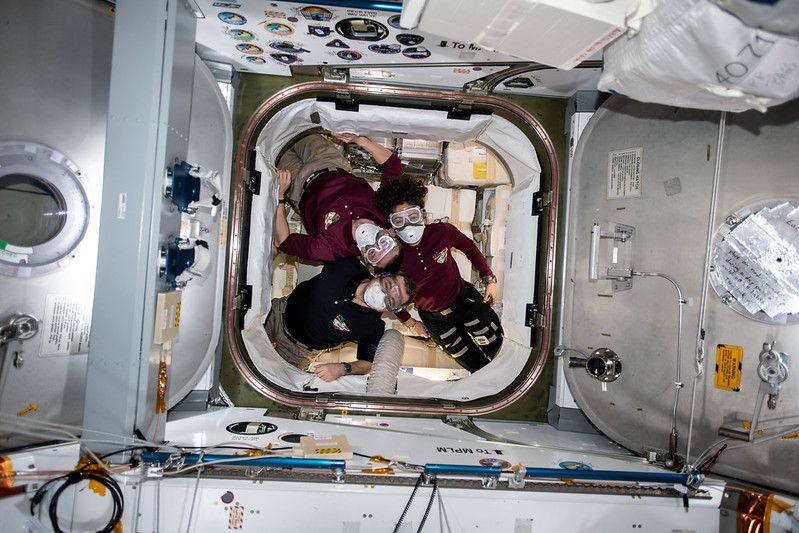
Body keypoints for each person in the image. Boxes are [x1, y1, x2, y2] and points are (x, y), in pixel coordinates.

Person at [373, 175, 503, 372]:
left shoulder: (442, 232)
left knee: (497, 346)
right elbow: (387, 297)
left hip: (466, 301)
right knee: (474, 364)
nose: (408, 226)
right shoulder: (389, 258)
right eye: (399, 220)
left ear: (423, 215)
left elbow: (469, 248)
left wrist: (489, 278)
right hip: (435, 320)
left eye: (413, 216)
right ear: (391, 227)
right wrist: (410, 322)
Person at [264, 256, 416, 382]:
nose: (383, 294)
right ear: (381, 275)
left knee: (273, 383)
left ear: (391, 310)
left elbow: (369, 363)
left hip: (297, 352)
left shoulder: (372, 327)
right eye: (388, 285)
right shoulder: (346, 263)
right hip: (276, 314)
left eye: (391, 301)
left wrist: (342, 369)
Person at [273, 133, 404, 272]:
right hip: (328, 160)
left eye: (373, 253)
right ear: (391, 234)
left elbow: (284, 241)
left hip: (295, 182)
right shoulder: (384, 208)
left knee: (271, 144)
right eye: (385, 243)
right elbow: (393, 165)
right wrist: (359, 140)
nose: (374, 242)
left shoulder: (331, 248)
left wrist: (280, 196)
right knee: (293, 127)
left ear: (366, 260)